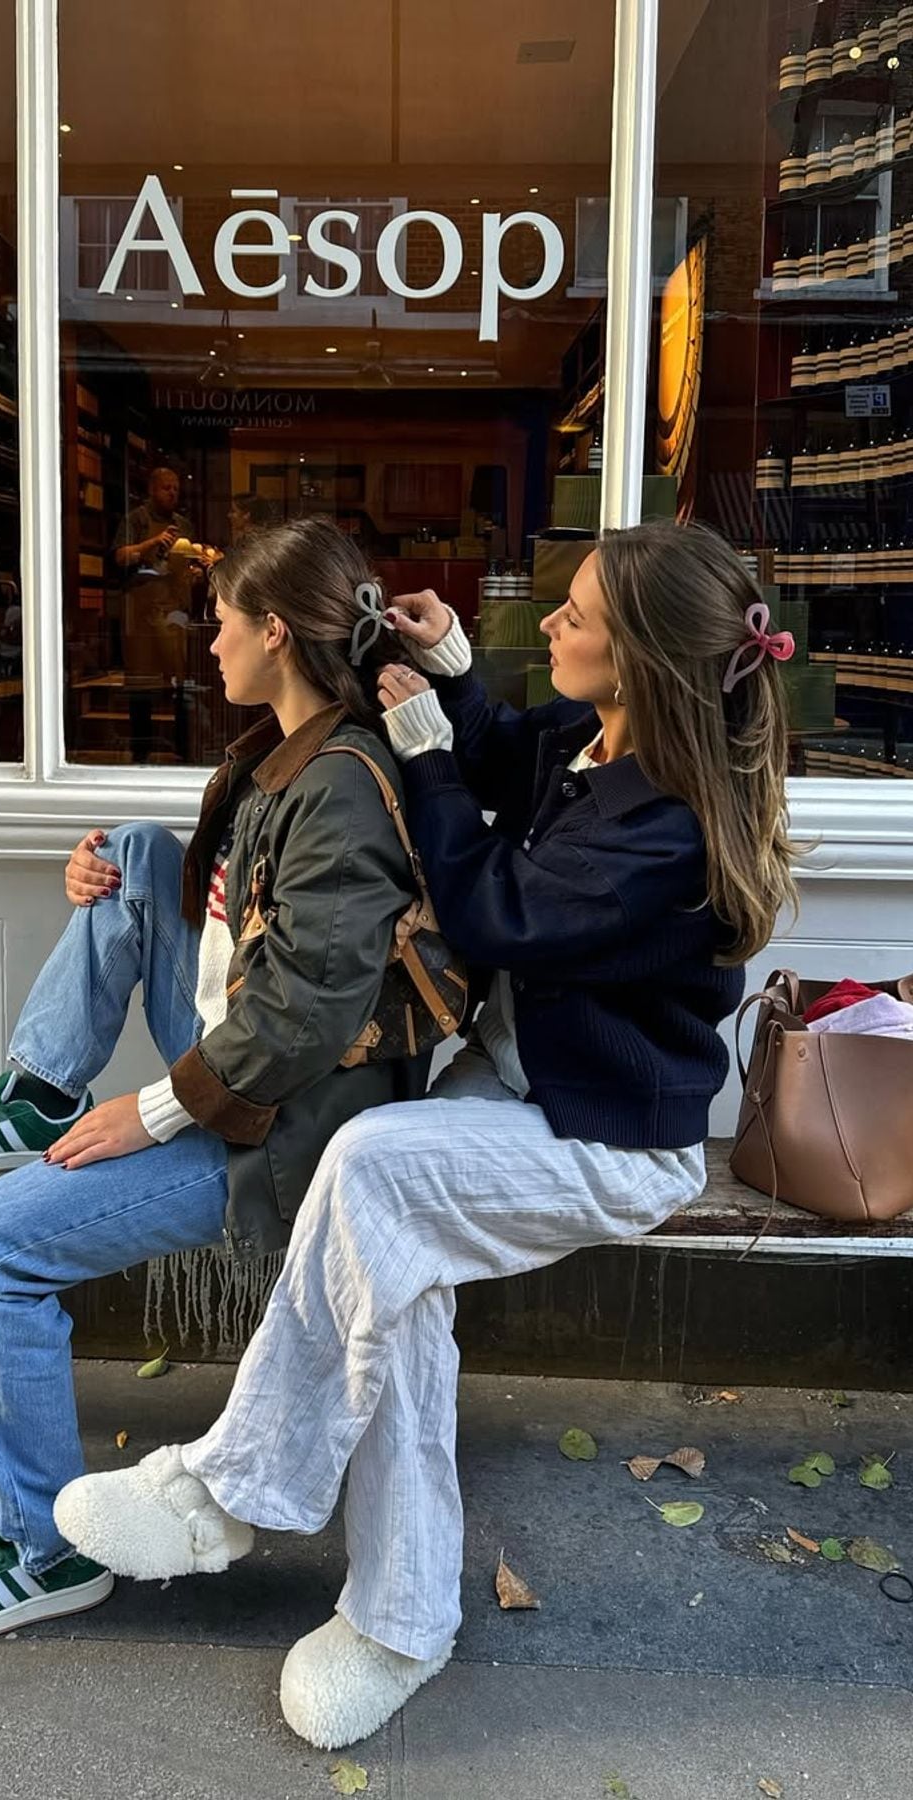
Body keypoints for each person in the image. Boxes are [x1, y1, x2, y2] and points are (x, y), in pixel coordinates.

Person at [54, 519, 799, 1749]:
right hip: (511, 1087)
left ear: (646, 656)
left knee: (369, 1166)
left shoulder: (663, 823)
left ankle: (234, 1489)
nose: (549, 622)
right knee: (389, 1292)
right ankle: (398, 1623)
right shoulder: (603, 733)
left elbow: (498, 913)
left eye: (574, 614)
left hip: (603, 1137)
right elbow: (514, 745)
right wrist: (452, 664)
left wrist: (426, 752)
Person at [0, 518, 430, 1643]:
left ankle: (41, 1550)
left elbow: (306, 1015)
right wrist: (114, 874)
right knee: (137, 852)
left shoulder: (336, 785)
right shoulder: (282, 754)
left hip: (278, 1136)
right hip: (240, 1083)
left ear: (275, 632)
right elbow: (230, 912)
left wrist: (146, 1112)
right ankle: (37, 1089)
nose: (208, 643)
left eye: (223, 622)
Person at [114, 466, 199, 763]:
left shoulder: (184, 526)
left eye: (176, 488)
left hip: (175, 613)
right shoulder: (136, 519)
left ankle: (183, 750)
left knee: (181, 685)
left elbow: (188, 566)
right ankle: (141, 753)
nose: (173, 493)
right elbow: (120, 556)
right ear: (152, 489)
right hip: (141, 616)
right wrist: (153, 542)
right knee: (142, 687)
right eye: (167, 488)